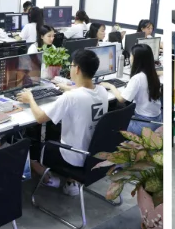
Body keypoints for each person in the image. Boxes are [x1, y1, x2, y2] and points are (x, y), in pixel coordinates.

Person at [17, 49, 108, 195]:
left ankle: (49, 178)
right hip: (93, 154)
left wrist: (30, 99)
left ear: (77, 69)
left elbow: (40, 118)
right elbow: (83, 91)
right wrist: (65, 87)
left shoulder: (71, 97)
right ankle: (71, 181)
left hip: (73, 158)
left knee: (31, 147)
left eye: (71, 66)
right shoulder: (102, 91)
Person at [101, 43, 162, 134]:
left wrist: (111, 86)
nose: (130, 58)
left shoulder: (137, 78)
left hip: (144, 124)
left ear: (137, 59)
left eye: (131, 56)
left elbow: (121, 99)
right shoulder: (152, 73)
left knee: (110, 124)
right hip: (157, 119)